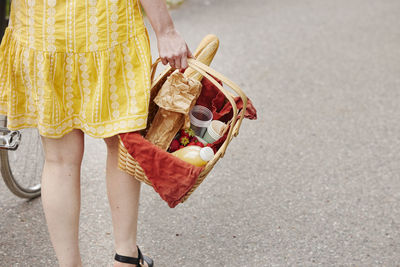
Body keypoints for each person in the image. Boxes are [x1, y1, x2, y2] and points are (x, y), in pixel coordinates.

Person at [0, 0, 192, 266]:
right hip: (107, 26)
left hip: (43, 29)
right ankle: (126, 258)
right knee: (121, 145)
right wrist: (166, 30)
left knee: (59, 159)